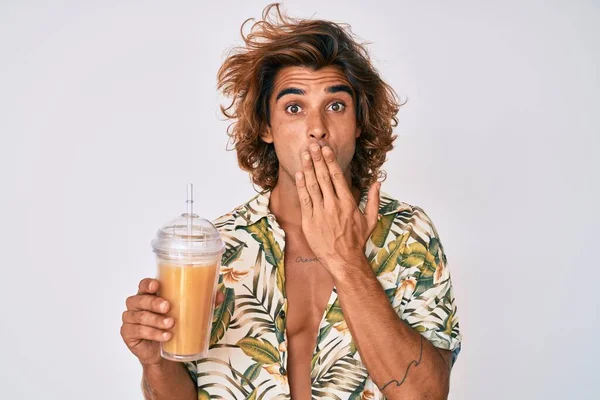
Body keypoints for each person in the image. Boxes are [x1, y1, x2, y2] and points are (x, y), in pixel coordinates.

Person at [121, 3, 462, 399]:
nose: (316, 128)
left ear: (357, 123)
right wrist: (156, 362)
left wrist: (346, 259)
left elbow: (425, 395)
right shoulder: (217, 247)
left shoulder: (407, 235)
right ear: (266, 126)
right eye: (294, 107)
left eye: (335, 106)